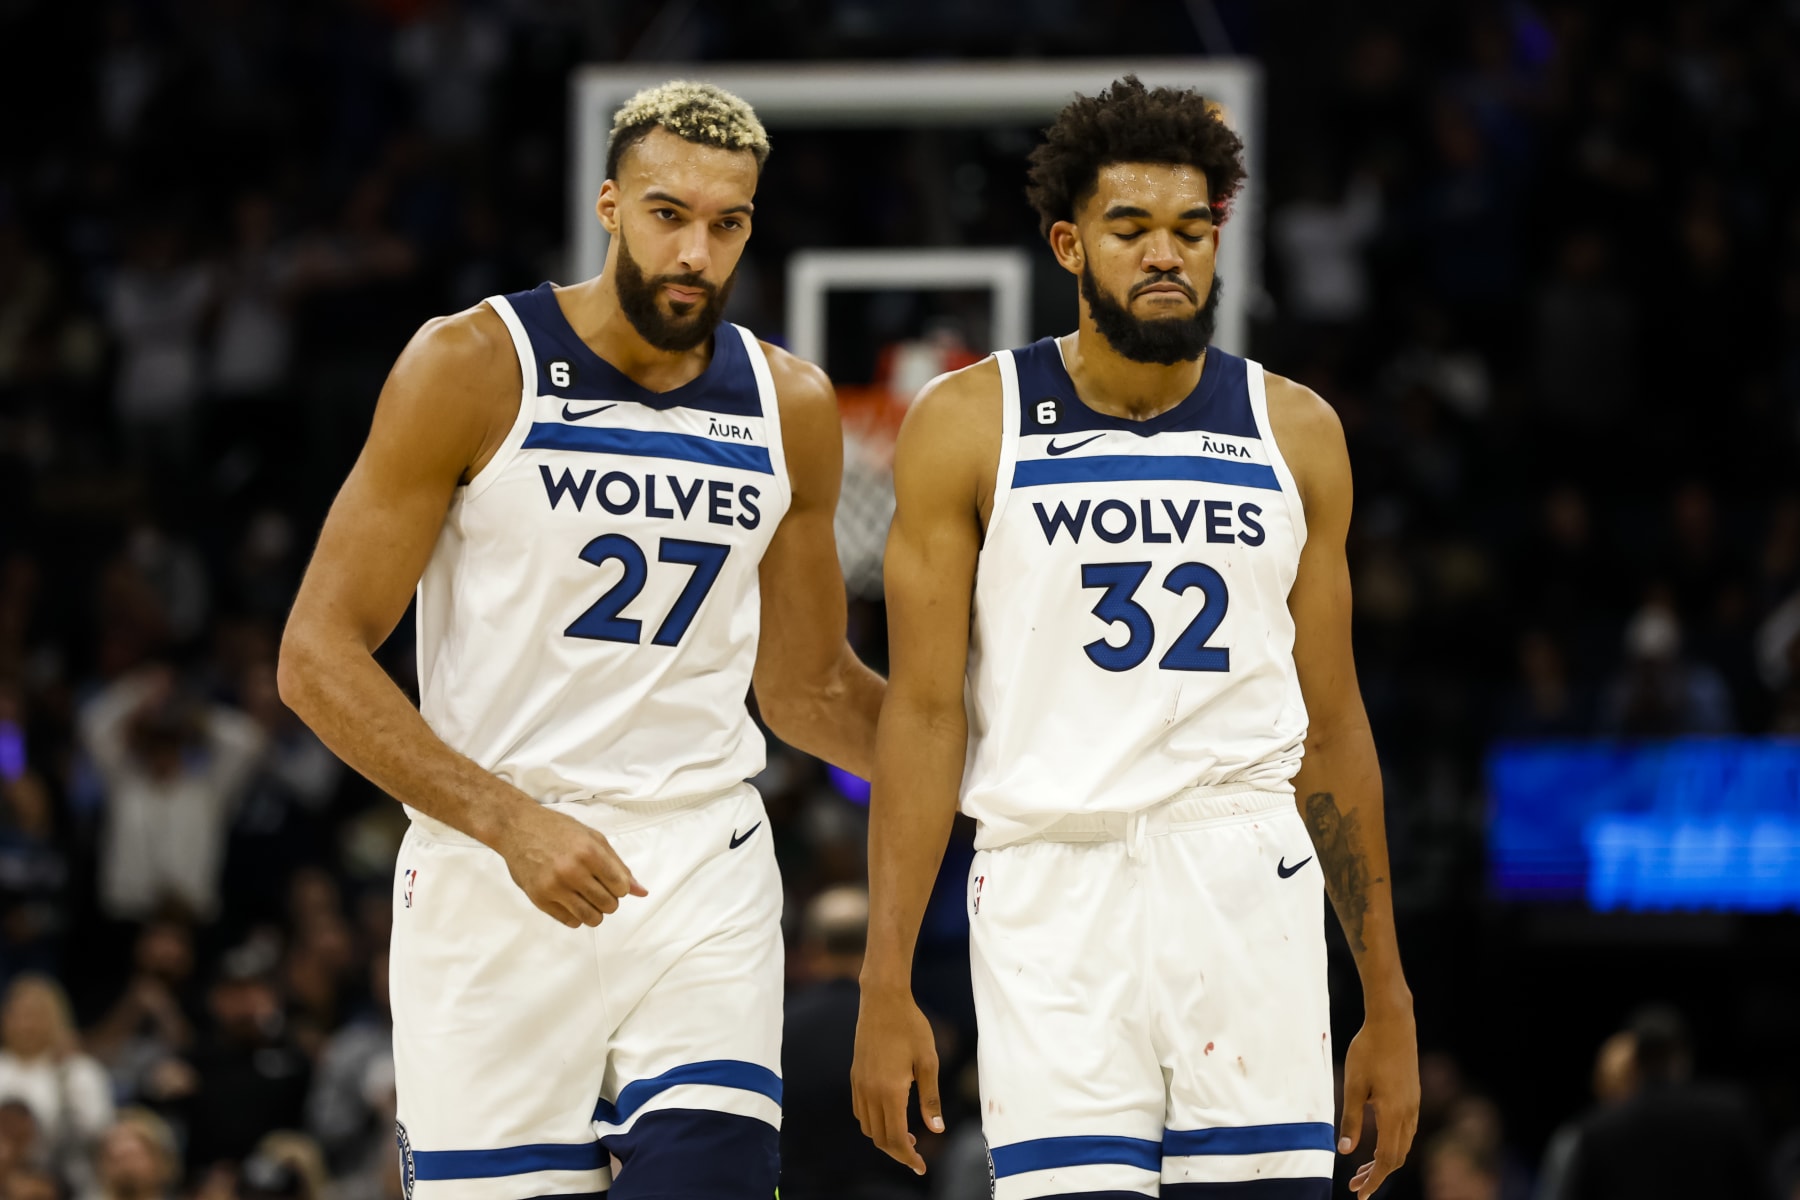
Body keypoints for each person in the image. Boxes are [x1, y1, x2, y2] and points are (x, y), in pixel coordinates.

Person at [279, 80, 882, 1200]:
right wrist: (509, 821)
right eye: (668, 214)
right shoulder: (471, 364)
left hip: (700, 863)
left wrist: (1020, 758)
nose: (696, 250)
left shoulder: (788, 404)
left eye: (727, 224)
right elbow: (316, 656)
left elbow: (808, 692)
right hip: (489, 872)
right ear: (609, 206)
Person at [852, 77, 1420, 1200]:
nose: (1167, 254)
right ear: (1070, 244)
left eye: (1191, 229)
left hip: (1243, 872)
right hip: (1049, 886)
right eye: (1131, 229)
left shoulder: (1296, 430)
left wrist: (1387, 997)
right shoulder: (968, 423)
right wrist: (886, 974)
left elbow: (1336, 724)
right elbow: (924, 714)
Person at [0, 975, 113, 1192]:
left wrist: (66, 1083)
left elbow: (97, 1133)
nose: (26, 1024)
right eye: (18, 1014)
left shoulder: (78, 1070)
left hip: (64, 1182)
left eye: (35, 1015)